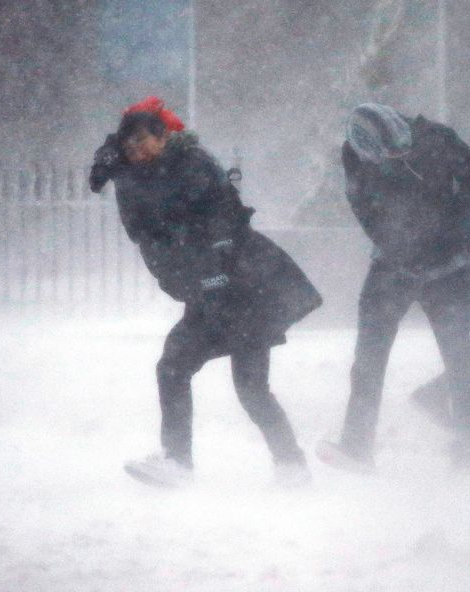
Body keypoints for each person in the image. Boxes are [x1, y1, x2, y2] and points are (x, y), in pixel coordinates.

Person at [89, 96, 322, 488]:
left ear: (164, 137)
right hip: (208, 293)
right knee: (174, 368)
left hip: (245, 292)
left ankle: (291, 466)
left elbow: (223, 221)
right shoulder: (134, 176)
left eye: (144, 141)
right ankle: (179, 463)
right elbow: (150, 231)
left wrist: (215, 271)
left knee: (249, 387)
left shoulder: (192, 165)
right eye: (129, 146)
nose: (137, 150)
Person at [318, 103, 470, 472]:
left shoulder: (437, 138)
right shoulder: (355, 155)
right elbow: (364, 210)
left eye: (402, 150)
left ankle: (469, 446)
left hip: (445, 264)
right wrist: (399, 247)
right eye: (388, 157)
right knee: (368, 359)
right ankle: (357, 445)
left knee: (457, 354)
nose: (398, 158)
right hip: (391, 266)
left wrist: (448, 227)